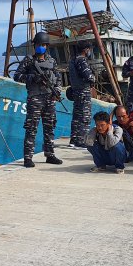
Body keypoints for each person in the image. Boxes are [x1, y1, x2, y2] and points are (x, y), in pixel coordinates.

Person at [14, 31, 63, 168]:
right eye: (38, 44)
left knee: (50, 127)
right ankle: (28, 158)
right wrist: (33, 78)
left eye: (43, 44)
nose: (41, 47)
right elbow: (17, 76)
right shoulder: (29, 60)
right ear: (34, 45)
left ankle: (50, 154)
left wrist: (57, 92)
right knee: (31, 128)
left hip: (49, 98)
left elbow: (58, 80)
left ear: (46, 46)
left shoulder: (52, 61)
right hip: (35, 98)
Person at [68, 41, 95, 147]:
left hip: (75, 91)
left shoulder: (72, 60)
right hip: (84, 91)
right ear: (86, 50)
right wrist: (93, 78)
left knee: (76, 116)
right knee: (85, 116)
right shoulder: (82, 60)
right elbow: (88, 76)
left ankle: (73, 140)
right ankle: (82, 141)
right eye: (89, 49)